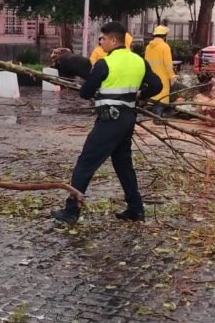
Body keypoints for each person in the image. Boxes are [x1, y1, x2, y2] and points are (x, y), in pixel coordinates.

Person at [52, 21, 162, 226]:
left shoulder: (105, 63)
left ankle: (71, 211)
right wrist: (140, 94)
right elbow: (157, 85)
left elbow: (85, 93)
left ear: (113, 40)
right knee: (123, 164)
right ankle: (136, 209)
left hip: (109, 120)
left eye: (102, 38)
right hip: (128, 119)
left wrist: (95, 86)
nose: (100, 41)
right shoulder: (139, 61)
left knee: (85, 163)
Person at [144, 25, 175, 114]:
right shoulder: (165, 47)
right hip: (162, 77)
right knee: (161, 97)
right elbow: (168, 64)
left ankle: (151, 112)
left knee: (153, 96)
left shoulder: (148, 47)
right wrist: (172, 76)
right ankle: (158, 115)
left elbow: (146, 62)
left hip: (151, 76)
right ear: (164, 36)